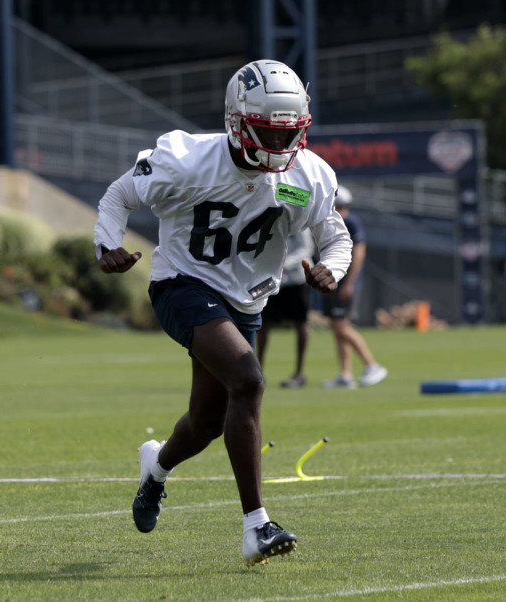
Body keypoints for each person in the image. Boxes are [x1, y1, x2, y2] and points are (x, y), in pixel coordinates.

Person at [94, 59, 353, 566]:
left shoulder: (308, 174)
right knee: (248, 379)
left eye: (288, 136)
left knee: (207, 421)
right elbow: (120, 194)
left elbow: (334, 234)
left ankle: (157, 467)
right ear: (236, 121)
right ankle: (257, 526)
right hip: (181, 283)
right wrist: (107, 243)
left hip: (246, 297)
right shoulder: (188, 158)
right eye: (266, 134)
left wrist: (333, 268)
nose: (279, 149)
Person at [321, 186, 388, 389]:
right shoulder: (339, 221)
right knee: (337, 328)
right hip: (336, 282)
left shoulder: (349, 222)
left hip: (344, 283)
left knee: (342, 327)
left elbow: (359, 254)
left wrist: (349, 284)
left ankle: (372, 365)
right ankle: (345, 374)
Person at [256, 229, 315, 388]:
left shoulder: (301, 220)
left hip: (297, 278)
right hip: (272, 279)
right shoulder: (272, 217)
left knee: (301, 322)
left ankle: (298, 373)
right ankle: (257, 373)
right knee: (262, 322)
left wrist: (285, 263)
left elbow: (306, 248)